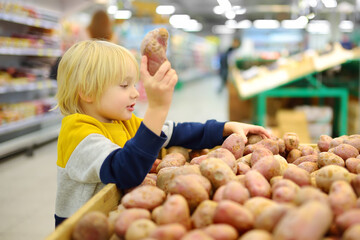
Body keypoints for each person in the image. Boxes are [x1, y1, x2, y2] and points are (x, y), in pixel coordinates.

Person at [53, 40, 271, 227]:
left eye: (134, 84)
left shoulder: (121, 122)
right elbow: (125, 170)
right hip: (84, 228)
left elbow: (176, 132)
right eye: (123, 85)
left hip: (119, 218)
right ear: (87, 92)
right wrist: (156, 109)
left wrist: (223, 128)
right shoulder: (77, 133)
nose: (135, 93)